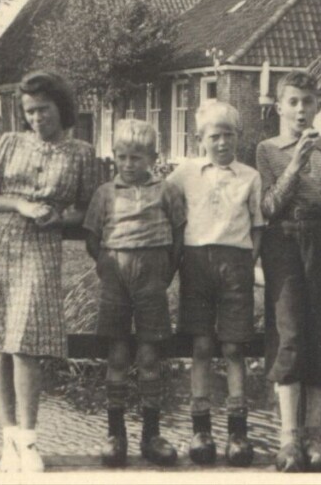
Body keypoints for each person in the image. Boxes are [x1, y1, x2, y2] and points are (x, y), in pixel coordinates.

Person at [0, 70, 96, 473]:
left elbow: (86, 207)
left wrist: (58, 217)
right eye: (29, 112)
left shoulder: (80, 152)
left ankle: (28, 440)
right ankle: (7, 439)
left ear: (61, 108)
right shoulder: (10, 143)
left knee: (25, 342)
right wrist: (20, 205)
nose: (36, 119)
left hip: (41, 247)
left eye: (43, 110)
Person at [256, 70, 321, 472]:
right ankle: (287, 439)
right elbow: (266, 207)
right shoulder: (266, 150)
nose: (300, 109)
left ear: (318, 105)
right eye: (293, 102)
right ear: (279, 107)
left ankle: (315, 435)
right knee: (290, 332)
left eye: (308, 101)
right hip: (283, 244)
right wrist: (295, 164)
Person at [83, 119, 185, 468]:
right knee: (117, 355)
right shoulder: (105, 193)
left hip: (152, 278)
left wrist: (165, 271)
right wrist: (108, 265)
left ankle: (151, 435)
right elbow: (92, 238)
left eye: (136, 158)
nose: (128, 164)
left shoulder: (166, 190)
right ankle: (116, 435)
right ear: (114, 156)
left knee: (149, 356)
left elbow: (179, 233)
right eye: (122, 157)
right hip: (115, 277)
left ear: (153, 157)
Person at [167, 100, 264, 467]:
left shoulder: (250, 177)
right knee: (202, 346)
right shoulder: (185, 173)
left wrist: (248, 262)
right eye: (215, 136)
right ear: (200, 139)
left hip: (236, 264)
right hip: (195, 264)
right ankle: (200, 429)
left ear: (239, 137)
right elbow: (161, 200)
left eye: (229, 135)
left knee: (235, 348)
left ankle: (238, 433)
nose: (223, 143)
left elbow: (258, 226)